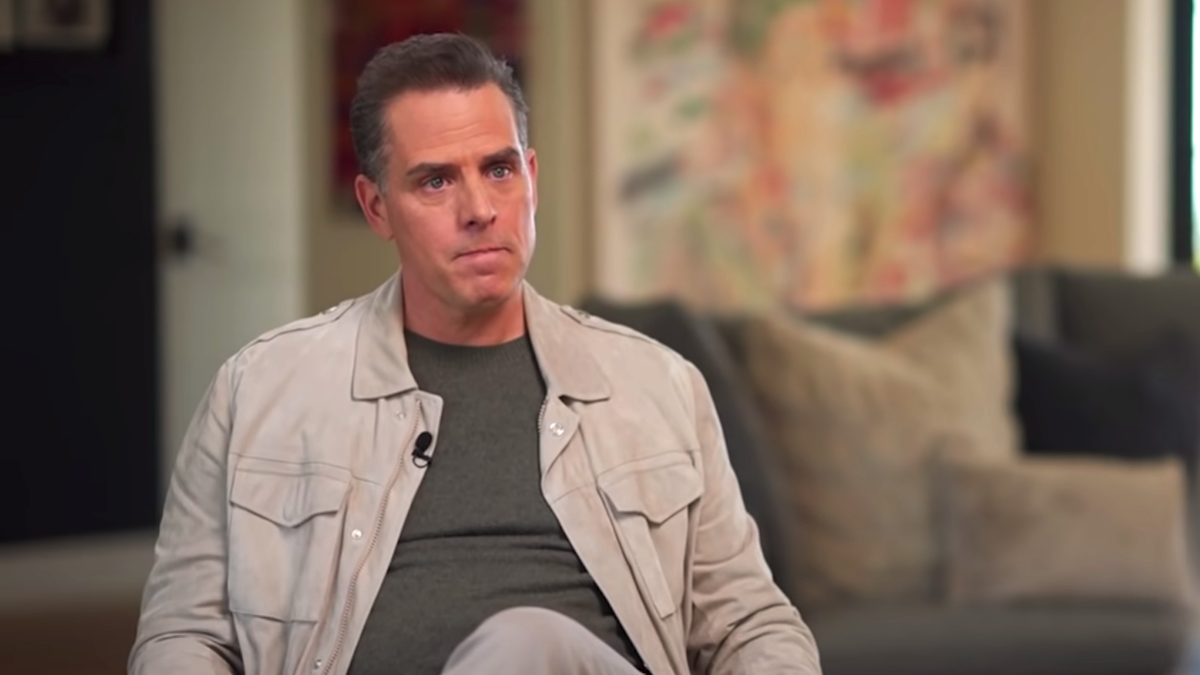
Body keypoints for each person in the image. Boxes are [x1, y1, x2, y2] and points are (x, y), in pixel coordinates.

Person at [129, 33, 821, 675]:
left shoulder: (657, 385)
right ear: (376, 207)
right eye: (435, 181)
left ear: (532, 178)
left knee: (528, 643)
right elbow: (182, 634)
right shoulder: (259, 390)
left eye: (499, 169)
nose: (480, 209)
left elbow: (751, 623)